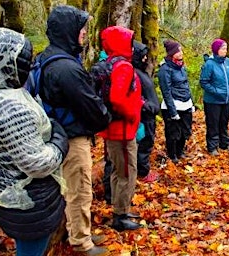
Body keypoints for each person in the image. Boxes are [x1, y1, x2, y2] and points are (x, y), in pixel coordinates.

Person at [0, 27, 68, 256]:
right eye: (24, 59)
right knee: (31, 250)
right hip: (27, 199)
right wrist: (59, 142)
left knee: (27, 246)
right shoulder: (11, 107)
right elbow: (37, 163)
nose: (29, 64)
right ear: (6, 63)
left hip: (2, 186)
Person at [42, 5, 111, 255]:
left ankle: (76, 232)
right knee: (79, 189)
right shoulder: (66, 68)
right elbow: (90, 104)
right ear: (68, 30)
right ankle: (81, 242)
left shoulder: (49, 57)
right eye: (81, 28)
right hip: (71, 138)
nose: (84, 33)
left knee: (69, 188)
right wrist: (105, 117)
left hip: (57, 135)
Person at [98, 26, 143, 231]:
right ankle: (120, 216)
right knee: (127, 171)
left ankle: (120, 209)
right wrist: (133, 113)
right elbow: (117, 98)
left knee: (119, 170)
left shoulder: (109, 63)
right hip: (122, 130)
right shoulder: (123, 66)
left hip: (114, 128)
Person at [158, 40, 194, 163]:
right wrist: (173, 112)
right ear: (172, 53)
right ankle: (172, 155)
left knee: (185, 131)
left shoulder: (181, 66)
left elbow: (186, 85)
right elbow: (166, 91)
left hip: (185, 103)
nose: (181, 53)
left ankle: (180, 152)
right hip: (173, 105)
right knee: (173, 133)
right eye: (178, 51)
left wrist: (191, 102)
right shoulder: (165, 69)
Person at [200, 38, 229, 156]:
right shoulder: (209, 64)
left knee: (224, 123)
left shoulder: (228, 62)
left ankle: (224, 144)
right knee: (213, 124)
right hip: (213, 101)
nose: (225, 50)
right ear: (216, 50)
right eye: (223, 48)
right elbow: (204, 82)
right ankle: (212, 146)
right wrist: (216, 91)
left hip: (226, 99)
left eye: (226, 48)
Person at [132, 40, 160, 182]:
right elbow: (136, 96)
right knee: (144, 144)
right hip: (144, 116)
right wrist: (146, 106)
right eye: (142, 56)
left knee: (147, 142)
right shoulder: (133, 73)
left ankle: (142, 170)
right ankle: (143, 173)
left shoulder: (140, 71)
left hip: (149, 114)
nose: (145, 58)